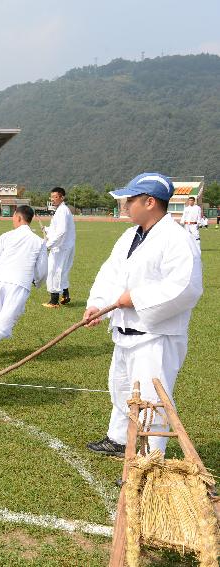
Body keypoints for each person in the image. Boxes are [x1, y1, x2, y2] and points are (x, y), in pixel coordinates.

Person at [84, 173, 202, 457]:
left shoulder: (177, 239)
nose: (125, 205)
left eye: (131, 199)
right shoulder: (129, 235)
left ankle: (149, 457)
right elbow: (110, 273)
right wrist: (98, 304)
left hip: (156, 336)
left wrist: (136, 298)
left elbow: (186, 287)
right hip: (125, 331)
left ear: (149, 202)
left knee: (151, 400)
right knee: (121, 387)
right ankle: (120, 438)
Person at [0, 205, 47, 359]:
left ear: (17, 217)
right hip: (20, 282)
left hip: (0, 279)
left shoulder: (6, 236)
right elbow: (42, 269)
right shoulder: (39, 242)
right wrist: (38, 281)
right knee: (9, 317)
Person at [41, 187, 76, 307]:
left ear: (62, 197)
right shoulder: (62, 210)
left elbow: (61, 232)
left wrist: (48, 245)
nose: (53, 199)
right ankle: (65, 295)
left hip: (61, 247)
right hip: (65, 245)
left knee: (54, 270)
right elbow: (57, 229)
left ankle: (54, 301)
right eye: (51, 197)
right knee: (62, 271)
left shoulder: (62, 211)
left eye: (55, 197)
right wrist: (46, 229)